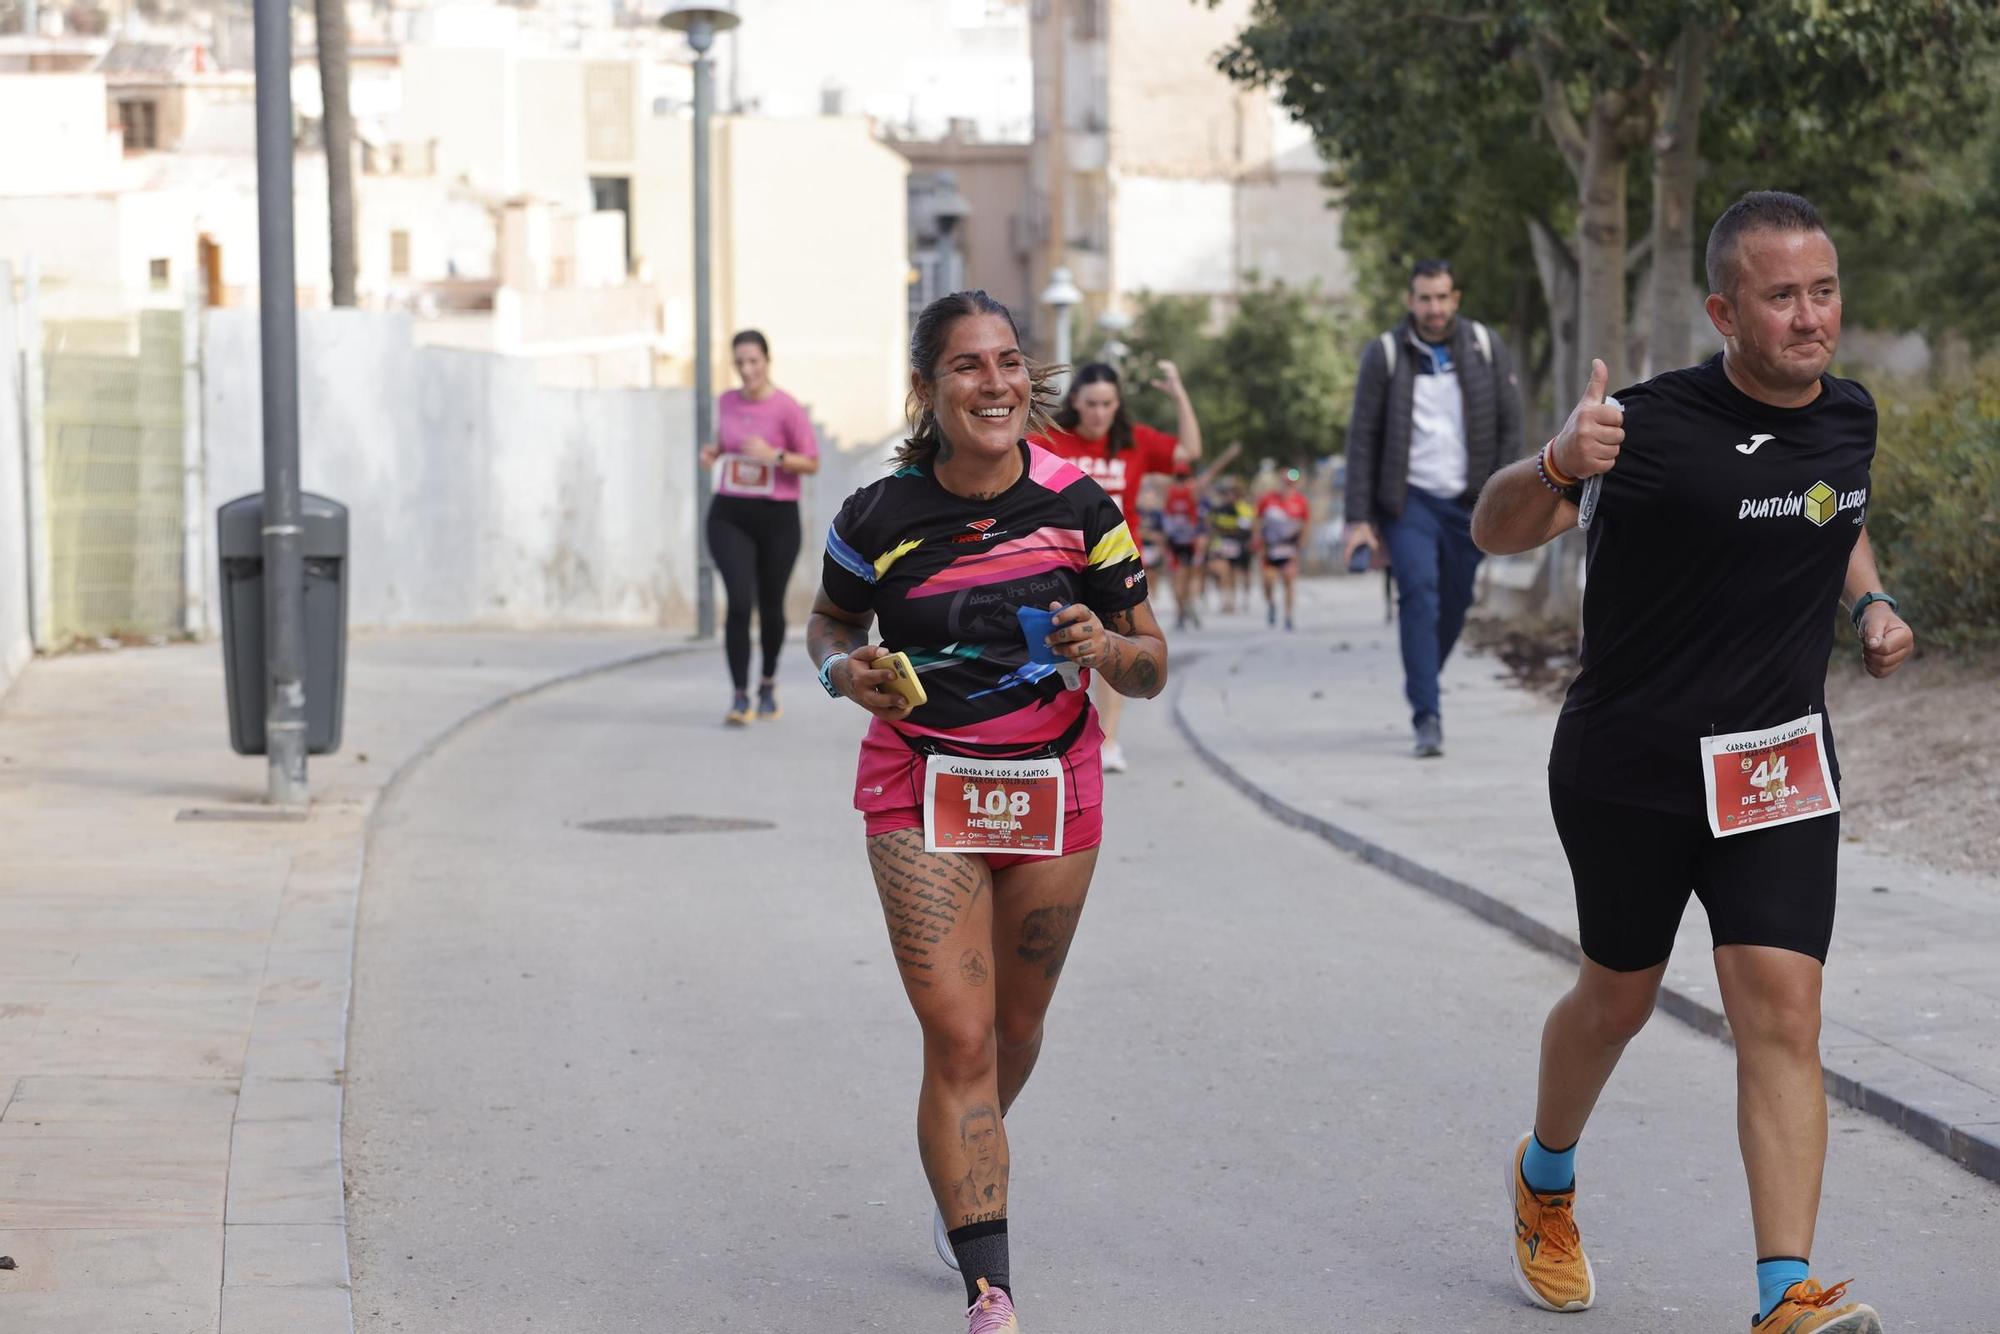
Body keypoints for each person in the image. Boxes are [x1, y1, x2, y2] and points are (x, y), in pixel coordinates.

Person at [1470, 192, 1911, 1334]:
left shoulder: (1847, 414)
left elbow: (1834, 510)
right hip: (1630, 760)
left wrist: (1868, 600)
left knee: (1781, 1009)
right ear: (1723, 308)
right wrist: (1560, 461)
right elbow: (1495, 528)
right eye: (1779, 296)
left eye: (1821, 290)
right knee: (1615, 997)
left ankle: (1784, 1293)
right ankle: (1544, 1172)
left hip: (1772, 766)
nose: (1808, 317)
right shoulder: (1648, 425)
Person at [807, 290, 1169, 1334]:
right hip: (919, 786)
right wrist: (841, 669)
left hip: (1054, 784)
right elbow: (827, 618)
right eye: (967, 365)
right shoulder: (875, 513)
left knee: (1013, 1024)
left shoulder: (1084, 511)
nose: (995, 382)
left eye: (1008, 361)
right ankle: (989, 1286)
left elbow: (1148, 664)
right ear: (928, 388)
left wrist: (1103, 650)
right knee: (959, 1035)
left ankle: (963, 1160)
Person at [1343, 258, 1524, 757]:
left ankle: (1420, 678)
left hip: (1471, 501)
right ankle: (1428, 713)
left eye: (1442, 297)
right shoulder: (1384, 354)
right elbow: (1363, 438)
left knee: (1456, 601)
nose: (1434, 308)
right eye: (1425, 298)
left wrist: (1509, 496)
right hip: (1409, 501)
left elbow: (1511, 426)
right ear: (1411, 301)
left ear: (1455, 298)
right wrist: (1358, 519)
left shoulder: (1485, 348)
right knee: (1419, 595)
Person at [1030, 360, 1200, 773]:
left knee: (1111, 650)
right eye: (1091, 403)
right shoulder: (1055, 440)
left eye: (1107, 403)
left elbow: (1190, 452)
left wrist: (1178, 393)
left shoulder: (1135, 442)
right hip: (1061, 562)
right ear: (1077, 402)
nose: (1099, 412)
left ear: (1117, 404)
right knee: (1057, 652)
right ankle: (1048, 738)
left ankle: (1109, 743)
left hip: (1118, 566)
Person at [698, 330, 821, 725]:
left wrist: (776, 456)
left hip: (777, 518)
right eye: (740, 363)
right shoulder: (727, 402)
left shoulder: (787, 408)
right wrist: (713, 453)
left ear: (767, 361)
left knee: (771, 606)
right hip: (730, 514)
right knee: (738, 602)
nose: (747, 369)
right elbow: (725, 445)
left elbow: (812, 462)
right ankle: (739, 697)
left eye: (753, 361)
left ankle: (767, 683)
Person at [1254, 468, 1310, 630]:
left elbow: (1306, 524)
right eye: (1286, 483)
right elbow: (1257, 521)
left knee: (1289, 581)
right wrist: (1257, 540)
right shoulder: (1268, 500)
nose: (1288, 487)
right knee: (1268, 581)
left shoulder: (1301, 502)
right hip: (1270, 548)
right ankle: (1271, 604)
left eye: (1291, 484)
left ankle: (1288, 615)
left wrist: (1301, 543)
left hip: (1289, 549)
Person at [1205, 476, 1256, 614]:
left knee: (1238, 573)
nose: (1229, 496)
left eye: (1232, 493)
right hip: (1223, 543)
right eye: (1227, 493)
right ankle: (1226, 600)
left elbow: (1247, 527)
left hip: (1240, 544)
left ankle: (1242, 597)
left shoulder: (1243, 508)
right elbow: (1211, 525)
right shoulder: (1218, 508)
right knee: (1223, 571)